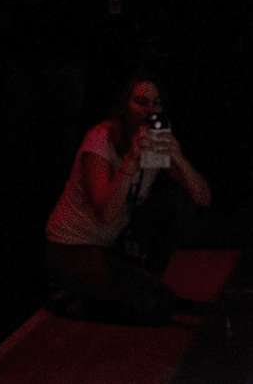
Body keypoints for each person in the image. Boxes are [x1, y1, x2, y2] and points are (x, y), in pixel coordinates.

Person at [44, 76, 212, 324]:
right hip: (74, 247)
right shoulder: (101, 139)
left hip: (112, 241)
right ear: (125, 106)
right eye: (141, 102)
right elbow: (105, 213)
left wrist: (178, 156)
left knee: (176, 200)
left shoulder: (154, 140)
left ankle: (145, 282)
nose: (149, 111)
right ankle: (77, 298)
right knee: (160, 304)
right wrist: (131, 161)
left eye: (155, 104)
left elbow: (202, 198)